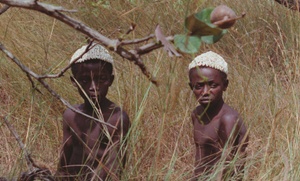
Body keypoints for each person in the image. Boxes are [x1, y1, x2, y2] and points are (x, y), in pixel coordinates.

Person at [55, 43, 130, 181]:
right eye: (84, 80)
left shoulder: (117, 118)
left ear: (110, 80)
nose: (93, 87)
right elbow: (64, 162)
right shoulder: (70, 115)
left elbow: (115, 169)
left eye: (101, 79)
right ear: (74, 82)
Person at [188, 51, 248, 180]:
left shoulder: (228, 119)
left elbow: (229, 167)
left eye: (213, 85)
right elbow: (200, 159)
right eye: (198, 86)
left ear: (225, 85)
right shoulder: (196, 114)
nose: (205, 92)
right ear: (190, 87)